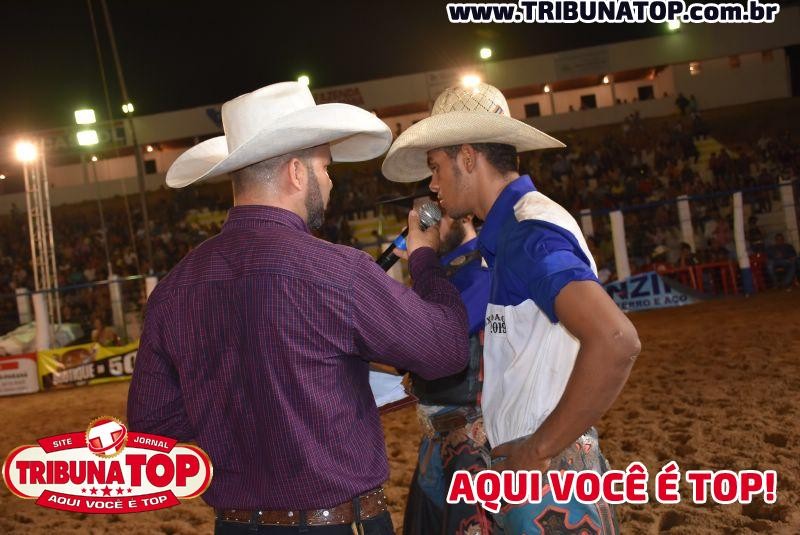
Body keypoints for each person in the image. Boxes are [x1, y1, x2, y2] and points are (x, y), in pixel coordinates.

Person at [127, 82, 471, 535]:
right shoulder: (337, 271)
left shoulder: (173, 290)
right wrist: (426, 259)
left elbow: (151, 427)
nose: (329, 181)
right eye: (325, 168)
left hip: (236, 524)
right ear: (295, 172)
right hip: (335, 520)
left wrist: (238, 399)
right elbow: (446, 350)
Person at [382, 83, 641, 534]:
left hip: (546, 474)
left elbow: (617, 339)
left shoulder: (526, 232)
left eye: (436, 166)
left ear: (467, 158)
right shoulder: (513, 232)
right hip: (543, 470)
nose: (433, 184)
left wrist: (538, 449)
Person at [403, 213, 494, 535]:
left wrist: (422, 263)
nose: (426, 228)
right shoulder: (445, 273)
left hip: (473, 442)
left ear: (464, 216)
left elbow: (429, 338)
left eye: (433, 217)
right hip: (439, 436)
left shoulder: (483, 268)